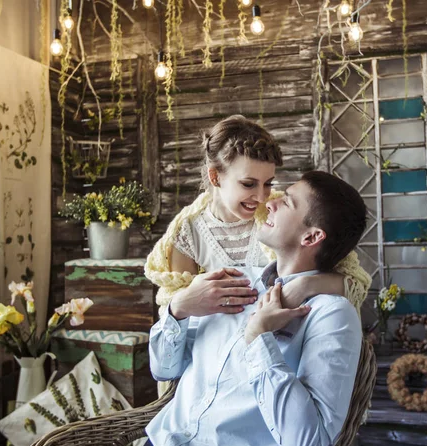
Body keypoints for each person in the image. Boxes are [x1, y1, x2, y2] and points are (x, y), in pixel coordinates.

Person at [0, 170, 366, 446]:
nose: (271, 200)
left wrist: (258, 339)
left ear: (312, 235)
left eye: (289, 200)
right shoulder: (231, 281)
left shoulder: (331, 316)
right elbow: (162, 369)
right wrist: (179, 311)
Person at [145, 115, 371, 315]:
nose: (263, 197)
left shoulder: (282, 214)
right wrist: (185, 301)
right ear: (215, 177)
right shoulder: (187, 235)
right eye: (248, 184)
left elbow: (356, 284)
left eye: (268, 183)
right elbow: (174, 317)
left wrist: (305, 285)